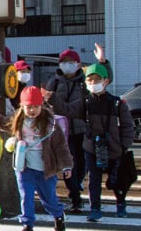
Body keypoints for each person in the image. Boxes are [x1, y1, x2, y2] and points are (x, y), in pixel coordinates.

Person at [0, 86, 73, 231]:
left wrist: (66, 165)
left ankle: (58, 214)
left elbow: (61, 147)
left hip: (46, 169)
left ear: (41, 106)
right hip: (24, 167)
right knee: (25, 196)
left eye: (35, 107)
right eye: (28, 107)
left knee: (49, 200)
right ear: (22, 106)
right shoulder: (18, 121)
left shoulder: (51, 124)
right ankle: (27, 227)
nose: (32, 110)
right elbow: (0, 122)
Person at [42, 43, 112, 214]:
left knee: (82, 164)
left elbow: (104, 80)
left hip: (83, 129)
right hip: (61, 131)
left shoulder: (85, 80)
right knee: (67, 164)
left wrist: (102, 61)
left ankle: (77, 187)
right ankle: (75, 196)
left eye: (71, 61)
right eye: (64, 61)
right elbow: (46, 105)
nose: (67, 64)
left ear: (79, 64)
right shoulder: (54, 82)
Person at [78, 62, 134, 221]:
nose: (93, 83)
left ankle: (121, 202)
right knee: (94, 180)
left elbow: (128, 125)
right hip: (92, 147)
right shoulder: (86, 102)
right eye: (90, 80)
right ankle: (95, 208)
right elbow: (68, 109)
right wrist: (51, 98)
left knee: (118, 179)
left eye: (97, 80)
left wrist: (124, 145)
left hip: (115, 148)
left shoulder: (117, 103)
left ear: (106, 81)